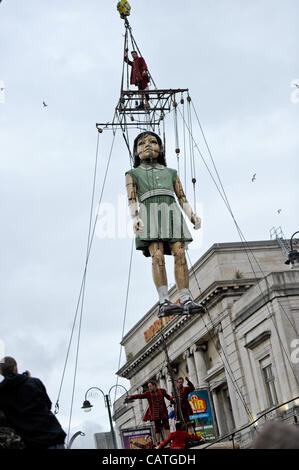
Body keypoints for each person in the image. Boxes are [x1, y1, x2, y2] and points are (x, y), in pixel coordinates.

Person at [125, 131, 205, 318]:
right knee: (158, 255)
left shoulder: (171, 173)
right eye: (142, 143)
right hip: (149, 212)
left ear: (161, 149)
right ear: (136, 152)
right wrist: (135, 217)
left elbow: (181, 196)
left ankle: (185, 297)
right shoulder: (132, 174)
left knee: (180, 252)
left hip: (171, 212)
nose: (147, 145)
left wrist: (191, 215)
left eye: (153, 142)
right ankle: (164, 301)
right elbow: (131, 198)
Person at [0, 356, 66, 449]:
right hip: (52, 437)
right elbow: (48, 405)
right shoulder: (34, 382)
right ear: (15, 367)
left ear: (1, 372)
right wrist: (28, 380)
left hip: (31, 442)